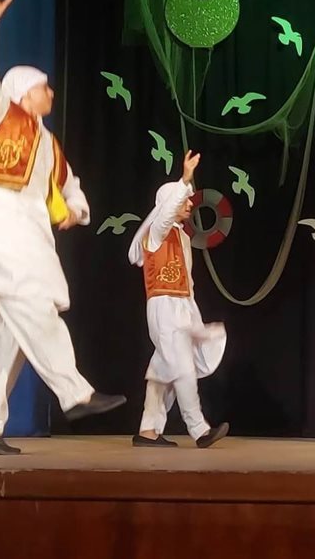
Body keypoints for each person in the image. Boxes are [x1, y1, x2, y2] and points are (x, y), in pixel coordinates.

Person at [0, 0, 124, 455]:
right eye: (44, 87)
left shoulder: (48, 141)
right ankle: (75, 392)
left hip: (30, 223)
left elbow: (68, 184)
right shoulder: (1, 114)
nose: (51, 92)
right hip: (2, 213)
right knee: (33, 299)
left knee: (17, 324)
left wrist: (77, 210)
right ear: (25, 93)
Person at [128, 150, 229, 448]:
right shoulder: (155, 234)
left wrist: (194, 318)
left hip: (182, 306)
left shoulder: (183, 237)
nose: (189, 204)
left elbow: (188, 282)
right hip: (163, 306)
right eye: (184, 200)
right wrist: (184, 179)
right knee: (182, 368)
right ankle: (199, 430)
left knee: (163, 372)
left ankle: (148, 430)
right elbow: (165, 215)